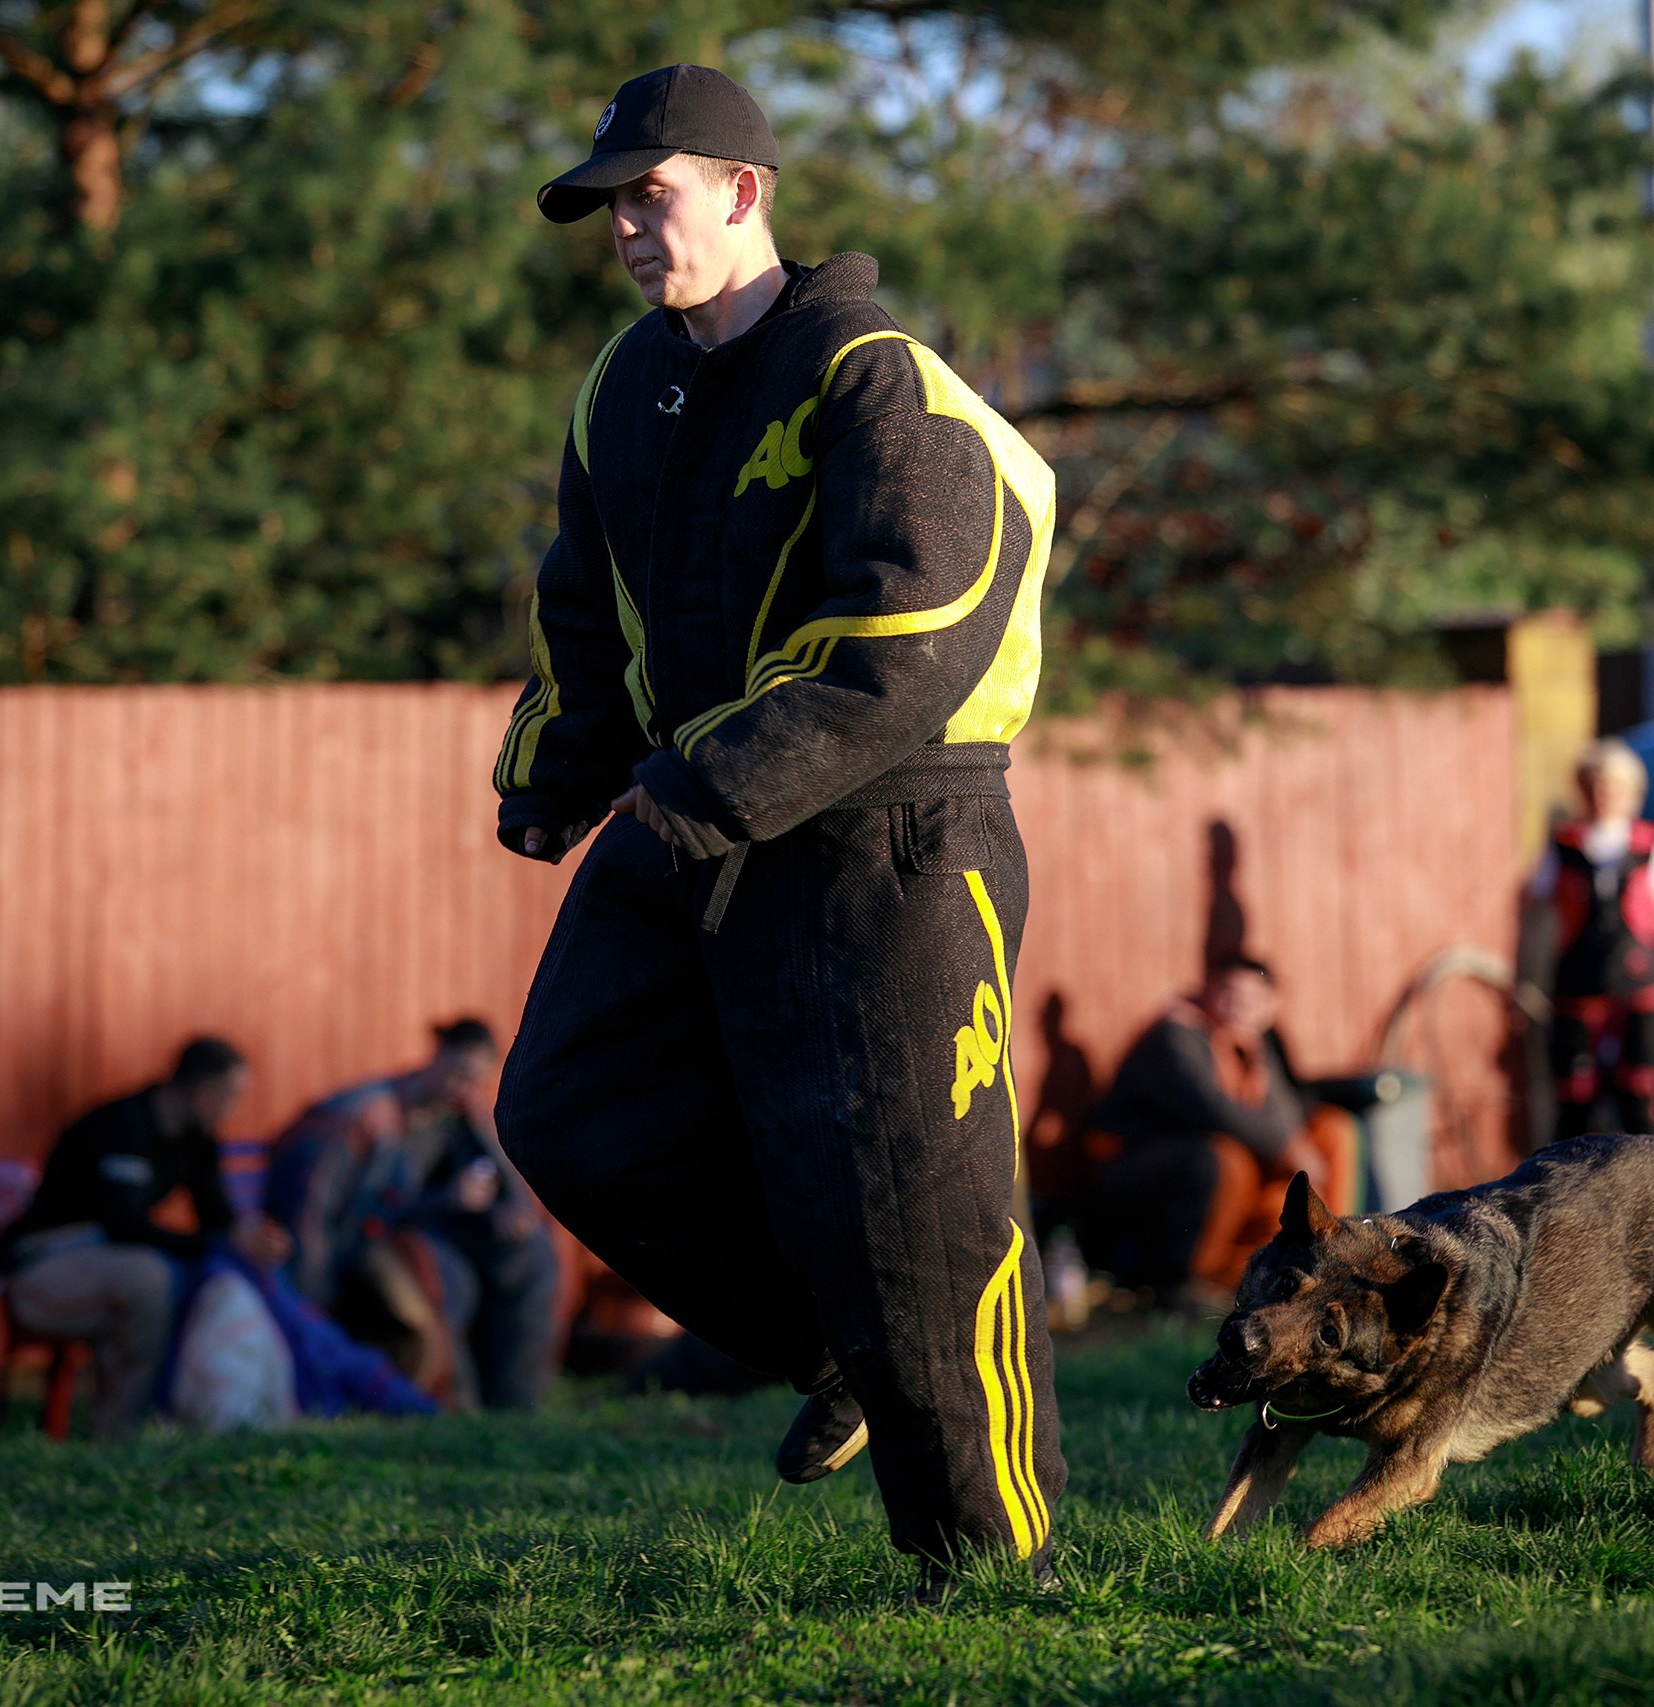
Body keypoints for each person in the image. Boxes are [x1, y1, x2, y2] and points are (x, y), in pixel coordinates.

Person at [489, 64, 1064, 1593]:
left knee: (916, 1209)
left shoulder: (877, 373)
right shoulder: (622, 385)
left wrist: (695, 790)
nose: (623, 226)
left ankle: (999, 1572)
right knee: (564, 1112)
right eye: (608, 203)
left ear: (745, 191)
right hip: (701, 811)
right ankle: (837, 1353)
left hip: (895, 827)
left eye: (648, 192)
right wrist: (558, 768)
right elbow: (581, 602)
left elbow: (914, 632)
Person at [0, 1036, 290, 1438]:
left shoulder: (197, 1138)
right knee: (151, 1279)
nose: (235, 1109)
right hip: (38, 1268)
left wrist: (252, 1237)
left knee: (178, 1284)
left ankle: (129, 1428)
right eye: (231, 1096)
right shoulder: (122, 1126)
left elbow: (216, 1216)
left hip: (102, 1267)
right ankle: (120, 1433)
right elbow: (124, 1225)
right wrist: (214, 1245)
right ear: (204, 1095)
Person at [266, 1020, 558, 1411]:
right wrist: (314, 1299)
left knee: (533, 1257)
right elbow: (328, 1215)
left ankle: (516, 1407)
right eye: (459, 1074)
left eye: (475, 1080)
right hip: (367, 1249)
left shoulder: (457, 1115)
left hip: (429, 1234)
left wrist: (507, 1212)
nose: (464, 1088)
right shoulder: (367, 1117)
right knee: (444, 1277)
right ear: (436, 1057)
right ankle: (455, 1407)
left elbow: (506, 1182)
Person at [1081, 959, 1360, 1298]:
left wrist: (1296, 1147)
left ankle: (1323, 1256)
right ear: (1207, 993)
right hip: (1139, 1166)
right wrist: (1287, 1148)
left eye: (1253, 999)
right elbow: (1209, 1108)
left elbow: (1286, 1112)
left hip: (1225, 1163)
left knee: (1332, 1129)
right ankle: (1190, 1279)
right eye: (1229, 994)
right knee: (1229, 1160)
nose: (1239, 1007)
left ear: (1270, 1005)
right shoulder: (1176, 1035)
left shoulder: (1253, 1041)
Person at [1524, 739, 1654, 1142]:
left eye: (1613, 785)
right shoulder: (1562, 846)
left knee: (1641, 1094)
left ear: (1631, 792)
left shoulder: (1651, 847)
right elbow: (1532, 914)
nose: (1604, 794)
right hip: (1579, 985)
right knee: (1576, 1101)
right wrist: (1524, 982)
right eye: (1595, 784)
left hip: (1643, 986)